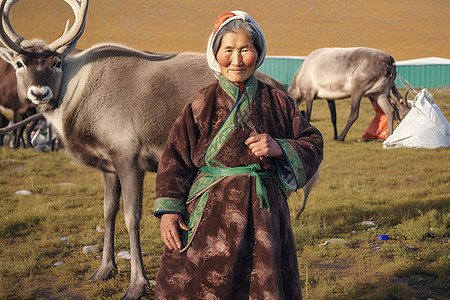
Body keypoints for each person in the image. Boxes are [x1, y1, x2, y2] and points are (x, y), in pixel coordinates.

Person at [154, 10, 323, 299]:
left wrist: (279, 147)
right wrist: (169, 211)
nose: (236, 60)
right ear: (215, 53)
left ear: (258, 52)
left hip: (264, 214)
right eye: (228, 50)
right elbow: (175, 159)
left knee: (262, 283)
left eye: (245, 49)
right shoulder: (200, 102)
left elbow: (312, 141)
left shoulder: (278, 101)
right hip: (210, 215)